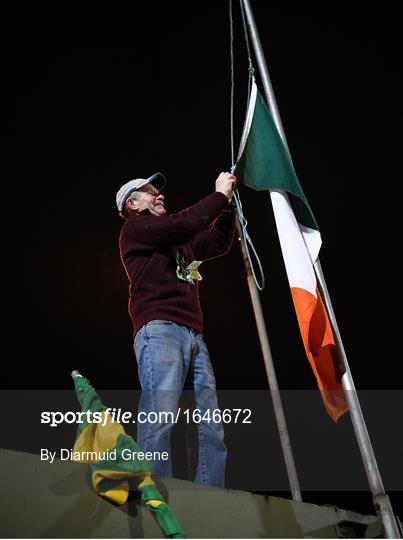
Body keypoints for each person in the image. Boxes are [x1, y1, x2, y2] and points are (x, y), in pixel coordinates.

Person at [116, 171, 237, 487]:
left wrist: (228, 207)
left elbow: (216, 242)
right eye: (150, 191)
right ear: (133, 202)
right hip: (161, 329)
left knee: (210, 422)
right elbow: (183, 224)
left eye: (159, 190)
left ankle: (210, 493)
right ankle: (155, 491)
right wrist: (219, 196)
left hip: (194, 334)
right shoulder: (136, 229)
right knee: (160, 414)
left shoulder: (176, 240)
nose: (160, 195)